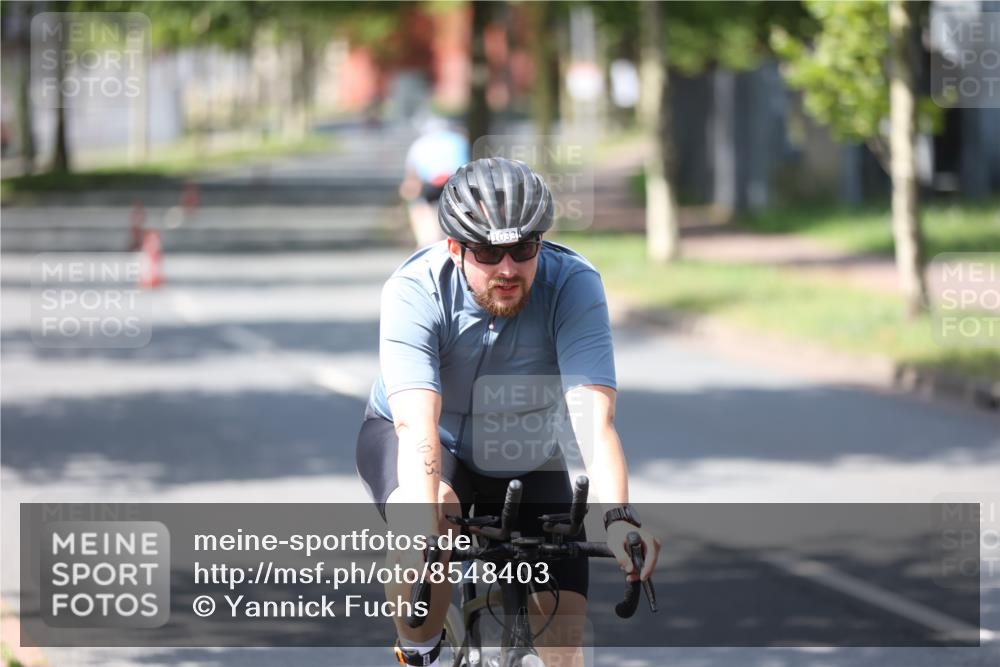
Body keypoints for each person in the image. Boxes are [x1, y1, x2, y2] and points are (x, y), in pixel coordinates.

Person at [357, 157, 661, 666]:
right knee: (428, 520)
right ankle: (420, 651)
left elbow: (593, 419)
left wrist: (618, 518)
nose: (507, 268)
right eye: (488, 251)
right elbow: (417, 429)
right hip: (429, 440)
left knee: (564, 646)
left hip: (524, 449)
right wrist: (428, 527)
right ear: (455, 247)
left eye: (522, 249)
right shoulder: (414, 290)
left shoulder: (573, 284)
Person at [398, 115, 469, 247]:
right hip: (455, 183)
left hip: (431, 184)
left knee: (419, 206)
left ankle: (427, 241)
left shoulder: (419, 144)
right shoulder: (459, 140)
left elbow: (413, 176)